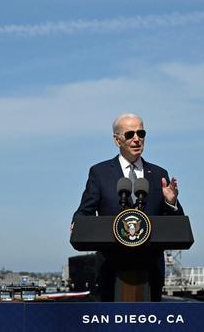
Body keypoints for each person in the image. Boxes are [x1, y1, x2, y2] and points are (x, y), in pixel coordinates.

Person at [72, 113, 183, 301]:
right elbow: (85, 210)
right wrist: (78, 223)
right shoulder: (100, 173)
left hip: (150, 270)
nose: (137, 139)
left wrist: (171, 202)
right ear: (117, 140)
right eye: (130, 134)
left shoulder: (158, 174)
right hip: (111, 269)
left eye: (141, 133)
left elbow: (175, 225)